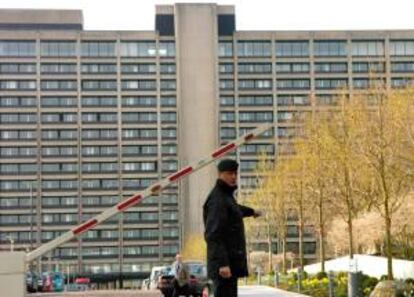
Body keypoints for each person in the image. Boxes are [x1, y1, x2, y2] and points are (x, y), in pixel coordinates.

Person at [203, 159, 262, 297]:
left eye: (235, 173)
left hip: (229, 263)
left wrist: (251, 212)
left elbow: (235, 210)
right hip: (224, 266)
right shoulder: (218, 199)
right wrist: (223, 264)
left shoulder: (225, 197)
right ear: (220, 174)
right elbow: (213, 234)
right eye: (230, 173)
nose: (234, 177)